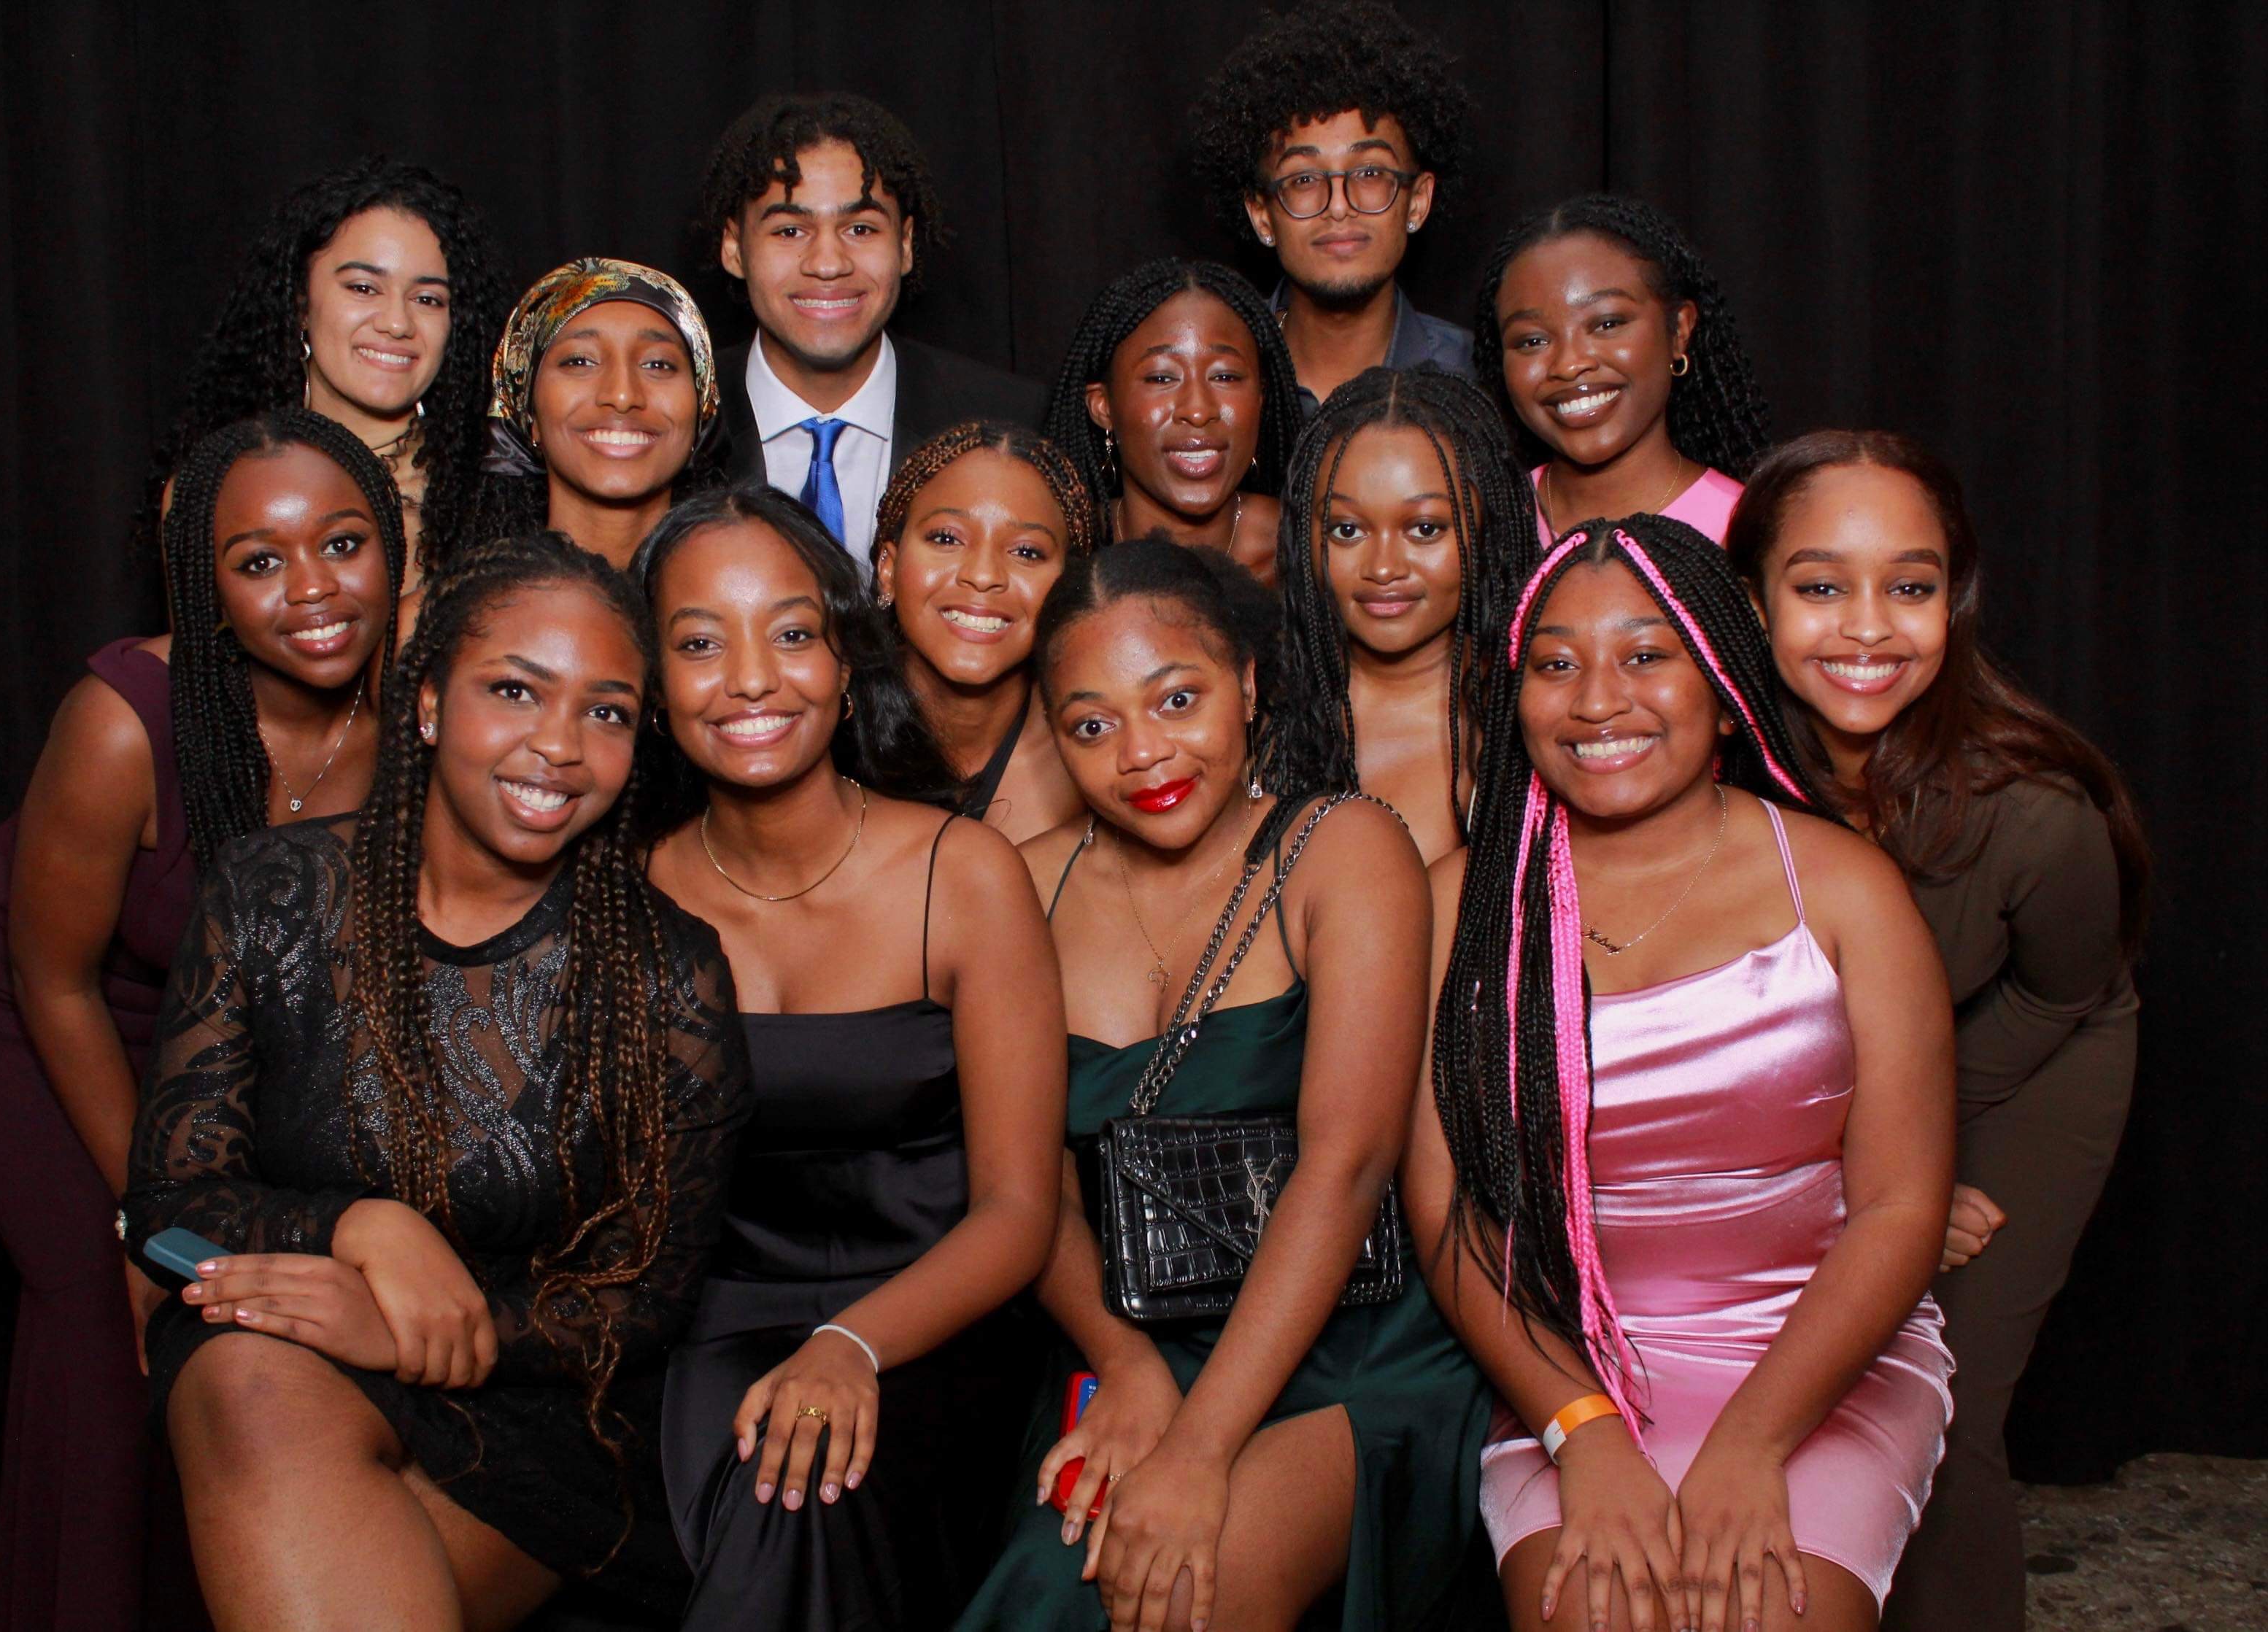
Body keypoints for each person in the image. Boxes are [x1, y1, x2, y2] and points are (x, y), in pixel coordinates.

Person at [126, 530, 752, 1630]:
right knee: (246, 1373)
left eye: (605, 712)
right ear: (424, 704)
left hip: (538, 1409)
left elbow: (642, 1295)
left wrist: (433, 1330)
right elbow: (173, 1201)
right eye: (515, 690)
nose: (558, 745)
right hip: (289, 1360)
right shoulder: (271, 889)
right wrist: (361, 1230)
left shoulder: (669, 970)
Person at [1408, 515, 1955, 1632]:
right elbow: (1447, 1210)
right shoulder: (1454, 906)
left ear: (1719, 671)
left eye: (1645, 655)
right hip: (1566, 1366)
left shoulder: (1845, 889)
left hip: (1815, 1355)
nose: (1598, 698)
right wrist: (1582, 1429)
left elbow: (1901, 1205)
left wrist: (1755, 1442)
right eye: (1555, 664)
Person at [0, 409, 406, 1631]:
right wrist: (154, 1208)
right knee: (113, 1303)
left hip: (238, 1034)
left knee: (241, 1324)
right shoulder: (122, 719)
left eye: (343, 543)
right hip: (60, 1012)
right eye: (257, 562)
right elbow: (54, 977)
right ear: (206, 586)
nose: (312, 591)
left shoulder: (424, 706)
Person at [958, 539, 1492, 1631]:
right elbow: (1026, 1189)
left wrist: (1200, 1445)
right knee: (1054, 1591)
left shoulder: (1344, 848)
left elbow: (1347, 1167)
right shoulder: (1018, 885)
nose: (1143, 753)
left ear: (1248, 683)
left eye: (1177, 699)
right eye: (1092, 725)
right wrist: (1131, 1365)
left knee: (1172, 1594)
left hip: (1355, 1348)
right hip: (1137, 1340)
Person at [1727, 432, 2148, 1632]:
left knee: (1934, 1405)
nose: (1868, 626)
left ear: (1950, 602)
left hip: (2023, 1063)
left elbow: (2061, 993)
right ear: (1748, 598)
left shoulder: (2033, 805)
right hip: (1823, 1103)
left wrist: (1917, 1164)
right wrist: (1857, 1168)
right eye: (1819, 586)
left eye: (1907, 587)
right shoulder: (1705, 774)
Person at [633, 485, 1067, 1628]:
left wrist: (851, 1344)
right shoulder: (629, 895)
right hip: (712, 1330)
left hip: (937, 1326)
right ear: (651, 679)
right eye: (696, 642)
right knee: (759, 1462)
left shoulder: (962, 873)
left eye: (788, 631)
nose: (749, 678)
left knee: (800, 1482)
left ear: (842, 649)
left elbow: (1020, 1213)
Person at [697, 93, 1044, 570]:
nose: (827, 263)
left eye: (860, 229)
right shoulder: (676, 418)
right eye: (789, 231)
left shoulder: (1010, 419)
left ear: (904, 245)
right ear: (734, 248)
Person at [140, 157, 503, 583]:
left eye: (428, 299)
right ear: (299, 305)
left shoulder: (499, 494)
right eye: (363, 288)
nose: (397, 323)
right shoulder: (214, 492)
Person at [1273, 366, 1543, 863]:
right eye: (1346, 530)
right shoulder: (1258, 716)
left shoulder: (1533, 720)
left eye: (1424, 528)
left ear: (1488, 528)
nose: (1383, 568)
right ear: (1302, 539)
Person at [1189, 0, 1474, 410]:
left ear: (1418, 201)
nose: (1338, 207)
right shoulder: (1212, 385)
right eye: (1303, 179)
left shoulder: (1479, 380)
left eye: (1370, 174)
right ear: (1261, 214)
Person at [1475, 196, 1770, 548]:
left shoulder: (1749, 533)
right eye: (1532, 341)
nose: (1569, 364)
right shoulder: (1481, 526)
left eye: (1607, 323)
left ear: (1678, 331)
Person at [872, 421, 1102, 843]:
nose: (983, 575)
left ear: (1069, 585)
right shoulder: (825, 733)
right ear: (888, 569)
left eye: (1026, 551)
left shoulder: (1101, 751)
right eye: (946, 538)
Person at [1041, 260, 1301, 587]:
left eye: (1225, 376)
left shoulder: (1310, 553)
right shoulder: (1059, 555)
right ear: (1103, 406)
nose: (1197, 411)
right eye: (1162, 377)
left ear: (1260, 398)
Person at [462, 257, 721, 576]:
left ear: (702, 410)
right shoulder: (456, 615)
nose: (623, 396)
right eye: (580, 362)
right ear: (528, 413)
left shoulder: (746, 603)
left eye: (658, 364)